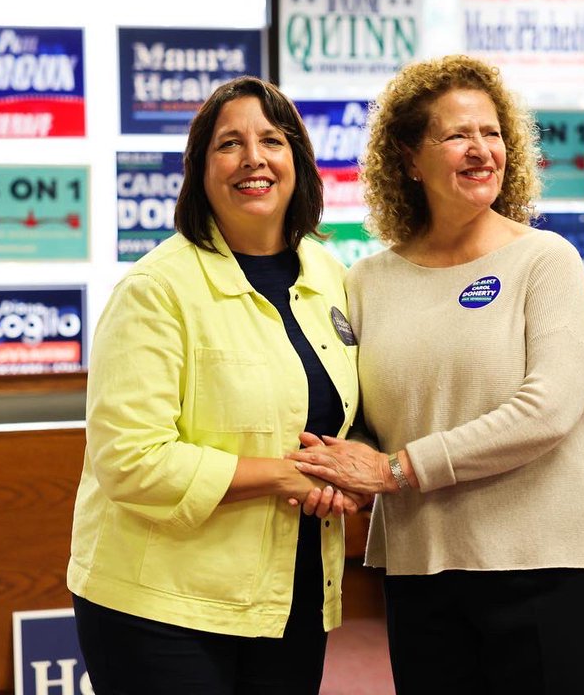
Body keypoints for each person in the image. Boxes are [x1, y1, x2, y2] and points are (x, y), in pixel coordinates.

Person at [290, 55, 584, 694]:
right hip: (424, 567)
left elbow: (547, 410)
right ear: (410, 159)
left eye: (492, 133)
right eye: (457, 135)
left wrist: (395, 471)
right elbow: (361, 417)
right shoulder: (367, 283)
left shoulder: (546, 261)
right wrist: (345, 465)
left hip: (547, 563)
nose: (481, 150)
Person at [68, 76, 364, 695]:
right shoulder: (156, 290)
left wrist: (351, 465)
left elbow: (339, 408)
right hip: (161, 607)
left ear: (298, 163)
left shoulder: (331, 276)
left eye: (272, 140)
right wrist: (285, 475)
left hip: (291, 594)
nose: (254, 158)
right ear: (200, 170)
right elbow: (129, 460)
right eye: (230, 144)